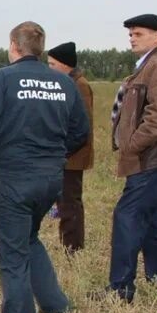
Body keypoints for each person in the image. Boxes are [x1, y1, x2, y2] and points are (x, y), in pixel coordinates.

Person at [0, 21, 90, 313]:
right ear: (41, 49)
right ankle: (56, 304)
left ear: (13, 45)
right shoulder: (64, 84)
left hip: (13, 178)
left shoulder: (1, 79)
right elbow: (81, 133)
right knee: (29, 238)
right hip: (50, 179)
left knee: (12, 256)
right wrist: (53, 155)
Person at [105, 14, 157, 302]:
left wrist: (131, 146)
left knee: (127, 216)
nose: (132, 37)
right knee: (156, 219)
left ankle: (120, 290)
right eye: (130, 33)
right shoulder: (148, 66)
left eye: (138, 33)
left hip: (153, 159)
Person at [46, 42, 94, 253]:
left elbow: (81, 126)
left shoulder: (79, 86)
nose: (49, 68)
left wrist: (62, 151)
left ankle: (73, 248)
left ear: (65, 65)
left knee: (70, 203)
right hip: (66, 153)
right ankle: (68, 244)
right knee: (64, 202)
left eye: (52, 64)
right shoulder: (67, 83)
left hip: (73, 156)